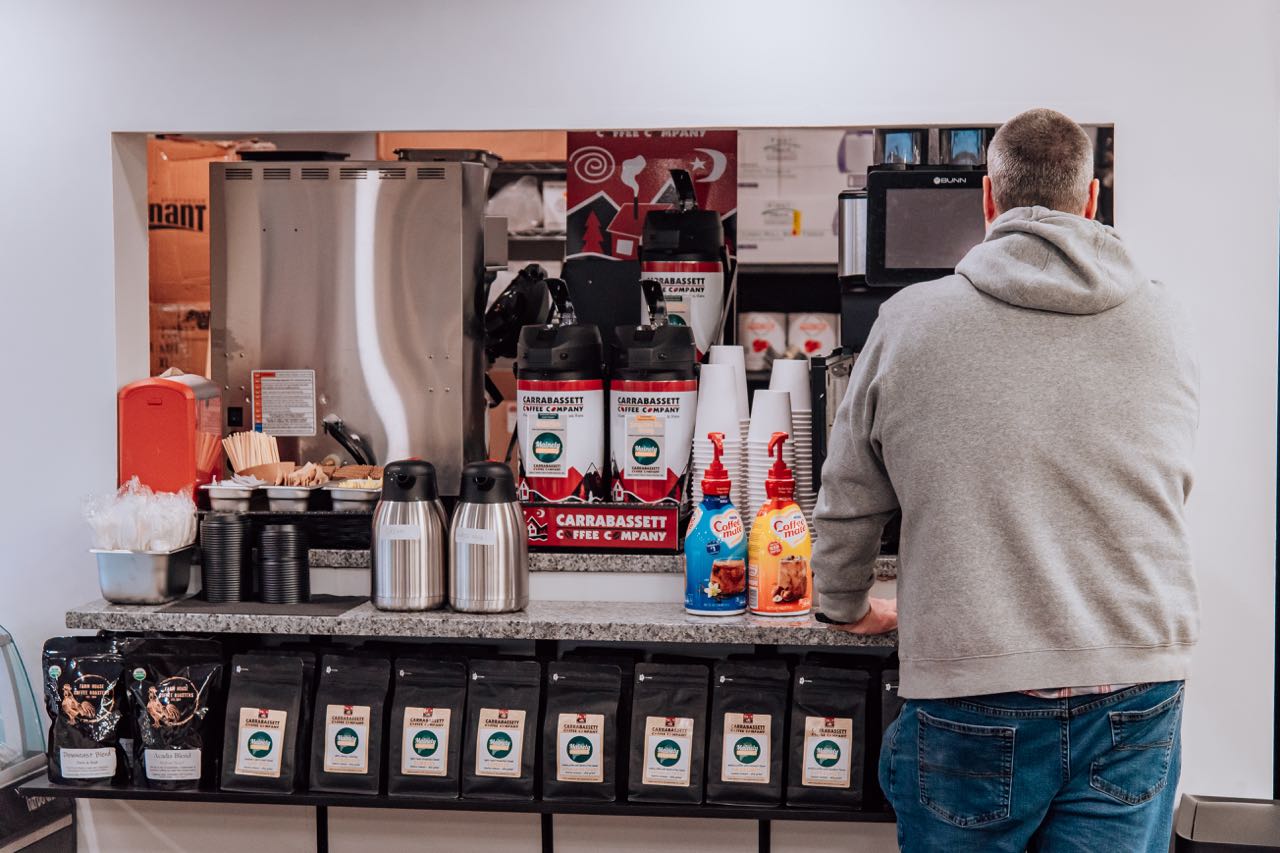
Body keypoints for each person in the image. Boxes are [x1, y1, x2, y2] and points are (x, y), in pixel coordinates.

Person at [813, 108, 1199, 852]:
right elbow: (1170, 487)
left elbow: (848, 502)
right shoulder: (1166, 319)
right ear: (1090, 203)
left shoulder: (908, 320)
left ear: (987, 201)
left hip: (971, 686)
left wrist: (843, 605)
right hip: (1135, 680)